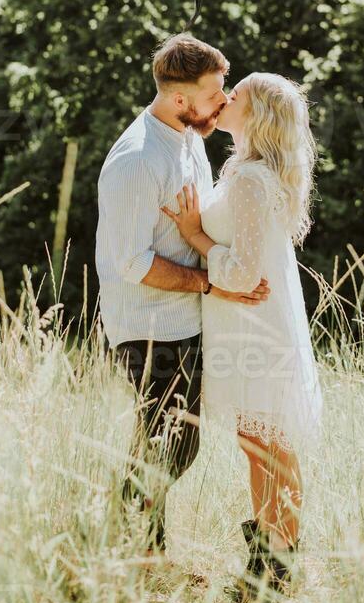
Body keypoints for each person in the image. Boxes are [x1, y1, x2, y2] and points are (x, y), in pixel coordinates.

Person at [94, 33, 271, 561]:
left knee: (162, 446)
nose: (225, 99)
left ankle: (141, 553)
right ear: (178, 99)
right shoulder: (135, 159)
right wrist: (212, 284)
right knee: (173, 447)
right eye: (215, 92)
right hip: (149, 327)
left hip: (185, 319)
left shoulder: (189, 136)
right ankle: (128, 551)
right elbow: (132, 262)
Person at [161, 71, 323, 602]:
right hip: (238, 328)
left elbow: (244, 274)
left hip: (257, 326)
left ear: (254, 114)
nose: (227, 100)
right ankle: (269, 556)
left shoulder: (252, 179)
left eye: (238, 95)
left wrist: (193, 236)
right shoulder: (240, 169)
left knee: (270, 445)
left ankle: (279, 564)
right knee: (257, 443)